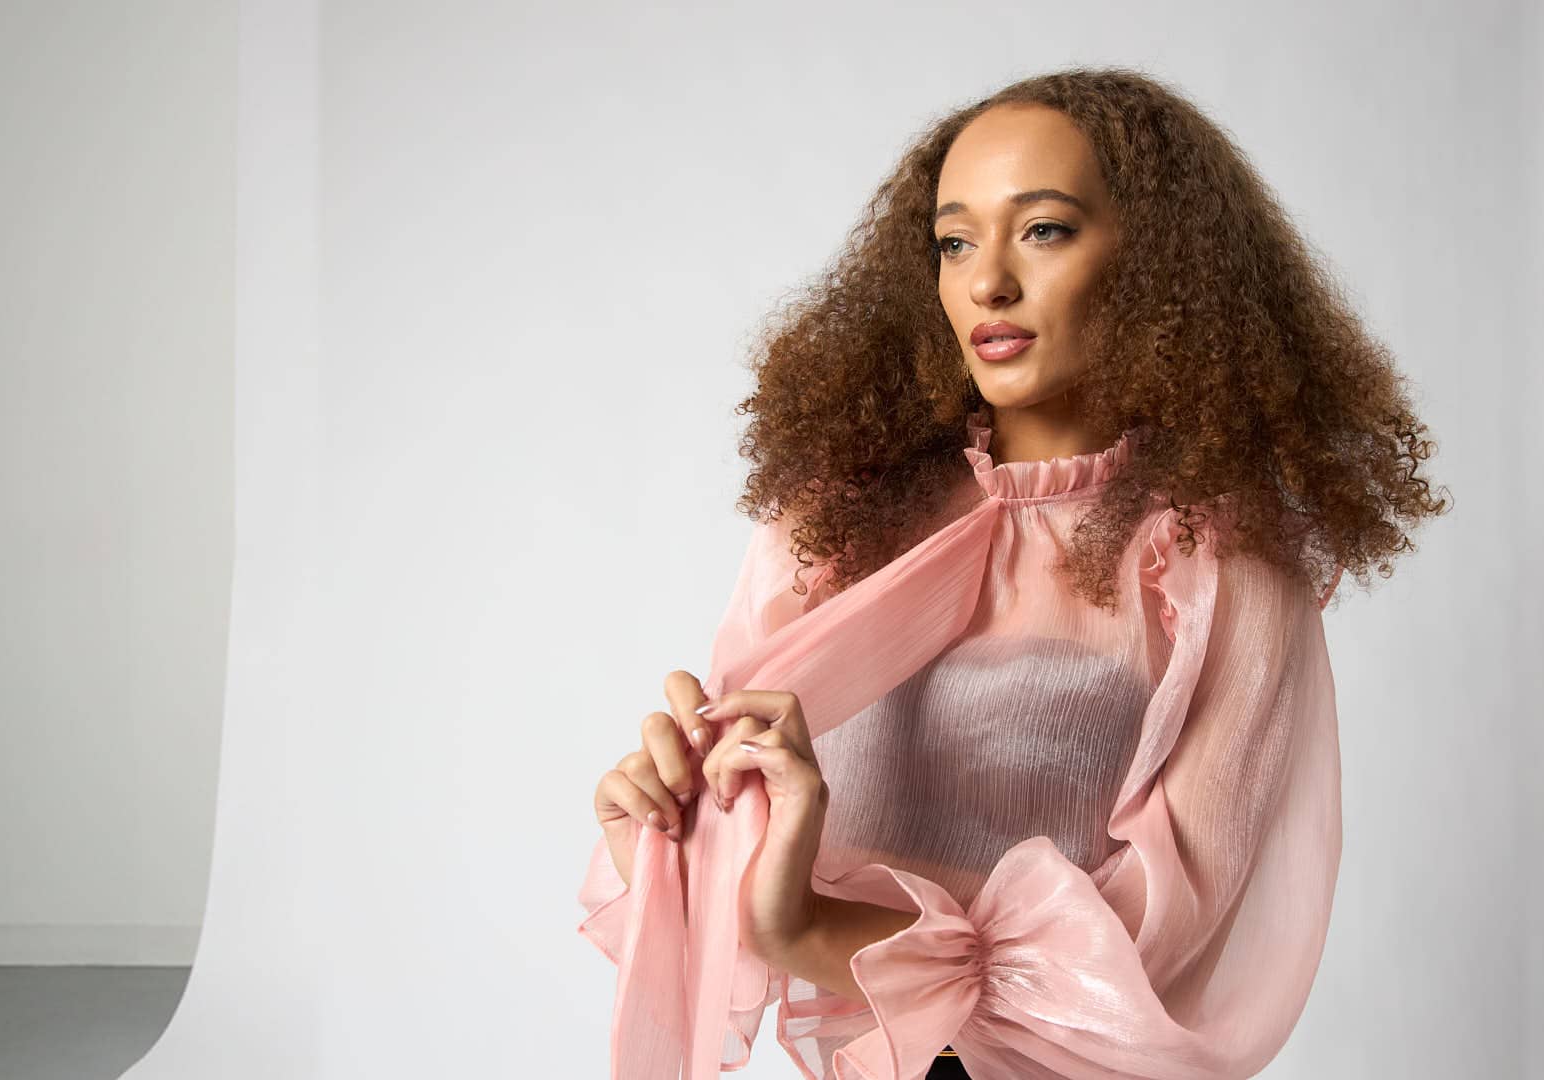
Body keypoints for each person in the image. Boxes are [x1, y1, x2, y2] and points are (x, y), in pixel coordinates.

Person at [579, 66, 1449, 1080]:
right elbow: (748, 835)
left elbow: (1144, 958)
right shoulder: (839, 520)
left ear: (1158, 265)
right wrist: (682, 825)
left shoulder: (1217, 556)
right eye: (955, 241)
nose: (988, 281)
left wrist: (808, 927)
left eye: (1044, 230)